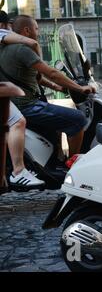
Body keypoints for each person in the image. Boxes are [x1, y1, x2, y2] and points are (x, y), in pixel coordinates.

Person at [0, 15, 95, 161]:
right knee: (78, 120)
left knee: (58, 122)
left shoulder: (4, 48)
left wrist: (56, 87)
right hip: (27, 106)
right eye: (36, 29)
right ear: (27, 30)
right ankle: (70, 166)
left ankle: (56, 159)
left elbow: (35, 77)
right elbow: (52, 72)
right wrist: (80, 88)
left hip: (14, 105)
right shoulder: (21, 50)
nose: (38, 32)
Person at [0, 11, 45, 189]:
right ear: (4, 25)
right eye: (10, 27)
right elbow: (32, 42)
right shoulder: (2, 33)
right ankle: (18, 172)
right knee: (17, 121)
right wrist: (39, 65)